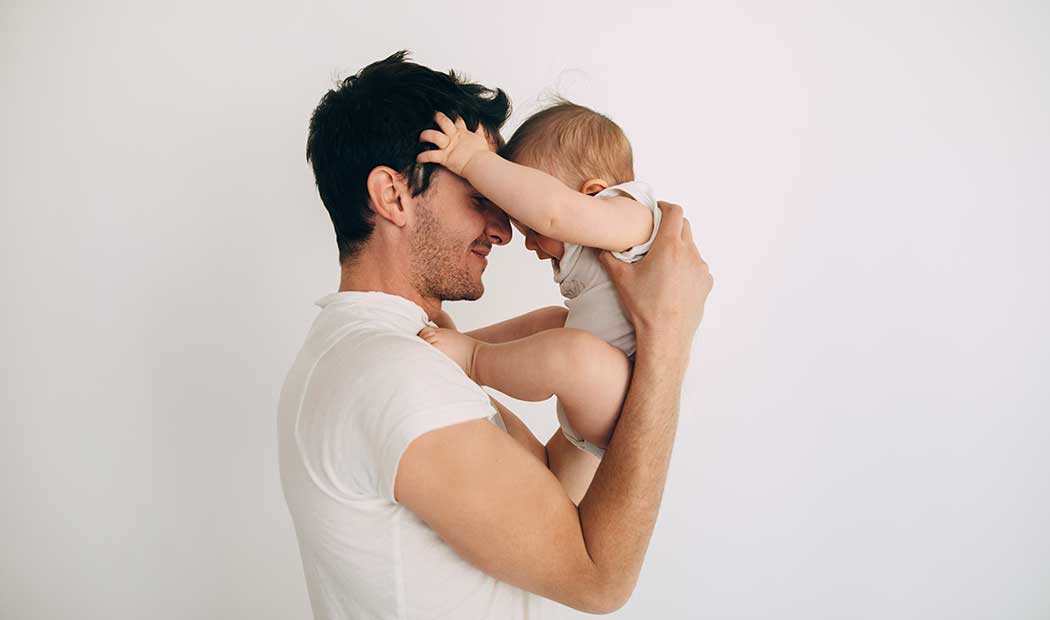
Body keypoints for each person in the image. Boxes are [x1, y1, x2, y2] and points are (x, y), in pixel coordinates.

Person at [277, 50, 713, 619]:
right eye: (481, 195)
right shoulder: (393, 376)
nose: (506, 229)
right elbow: (599, 580)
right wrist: (666, 338)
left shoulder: (390, 356)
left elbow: (554, 491)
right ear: (393, 195)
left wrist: (610, 360)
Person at [417, 100, 660, 459]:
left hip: (621, 404)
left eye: (530, 227)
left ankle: (473, 359)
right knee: (553, 322)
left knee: (570, 349)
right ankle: (464, 343)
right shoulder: (605, 231)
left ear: (592, 194)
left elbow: (553, 212)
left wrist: (472, 161)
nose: (528, 243)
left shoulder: (635, 218)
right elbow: (552, 211)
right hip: (595, 392)